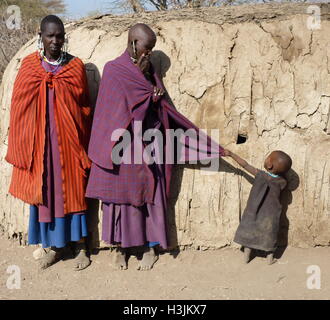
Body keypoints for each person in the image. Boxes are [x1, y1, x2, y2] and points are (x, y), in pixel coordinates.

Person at [86, 23, 225, 271]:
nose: (148, 54)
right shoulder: (113, 69)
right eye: (146, 48)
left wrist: (153, 92)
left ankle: (150, 246)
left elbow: (157, 107)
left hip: (149, 141)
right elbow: (113, 111)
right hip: (123, 145)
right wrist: (144, 90)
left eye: (152, 50)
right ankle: (121, 248)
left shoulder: (149, 71)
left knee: (152, 191)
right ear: (133, 43)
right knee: (122, 197)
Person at [5, 15, 92, 270]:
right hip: (41, 146)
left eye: (59, 36)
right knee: (46, 192)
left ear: (65, 37)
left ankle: (81, 248)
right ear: (40, 35)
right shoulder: (30, 67)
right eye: (50, 36)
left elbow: (85, 107)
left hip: (69, 143)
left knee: (74, 191)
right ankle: (54, 247)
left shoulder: (75, 67)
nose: (55, 41)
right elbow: (19, 108)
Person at [223, 149, 292, 264]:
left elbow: (245, 165)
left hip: (253, 211)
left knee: (249, 232)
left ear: (269, 165)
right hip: (271, 214)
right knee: (270, 235)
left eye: (268, 157)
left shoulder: (260, 175)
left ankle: (246, 258)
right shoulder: (282, 182)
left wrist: (231, 154)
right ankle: (270, 259)